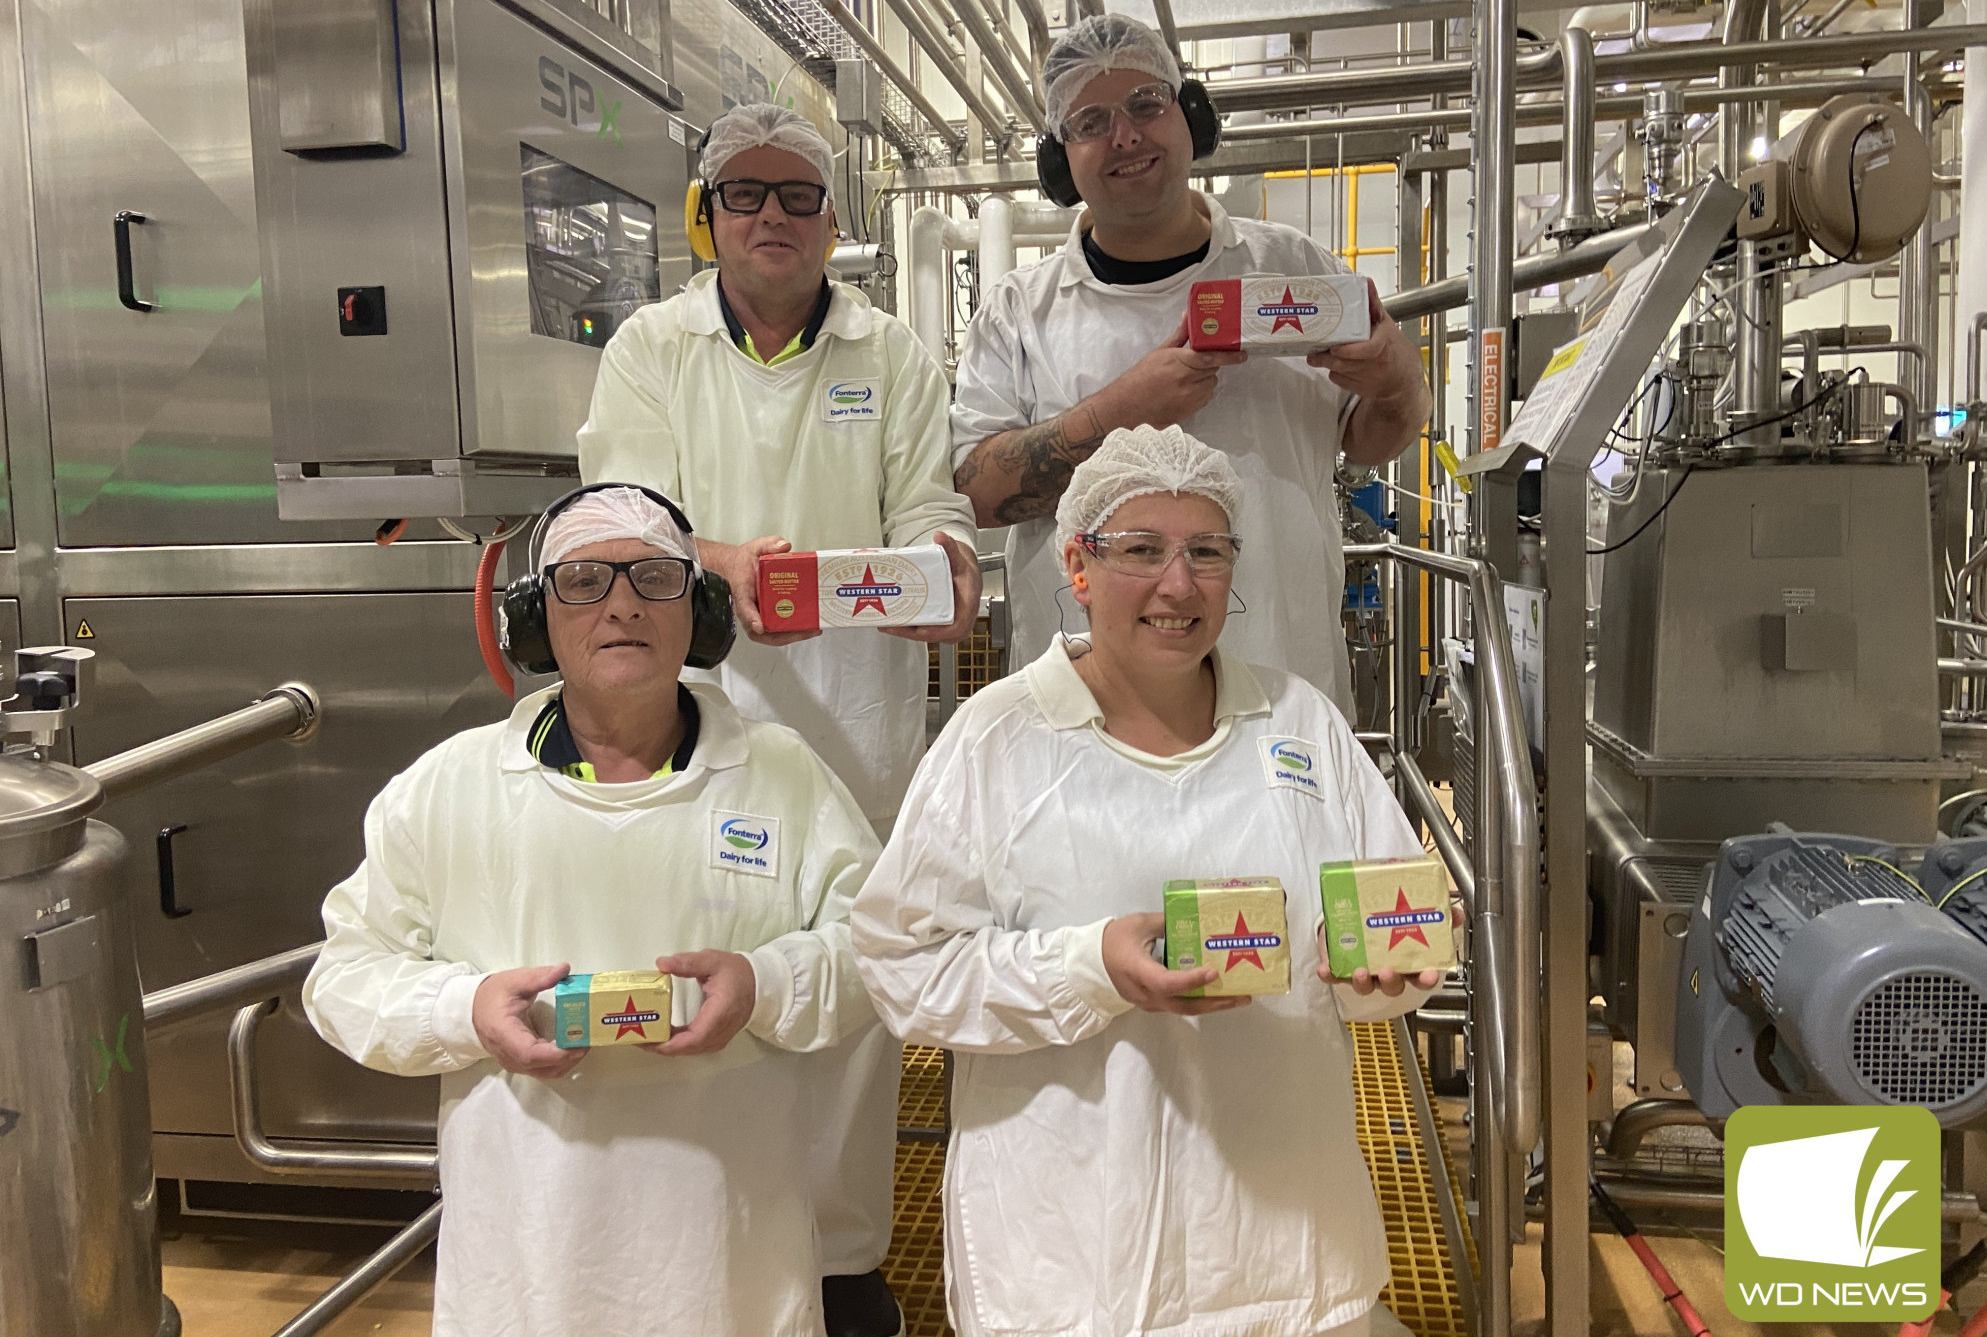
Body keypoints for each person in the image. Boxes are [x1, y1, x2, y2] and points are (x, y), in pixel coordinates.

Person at [851, 426, 1451, 1337]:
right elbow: (903, 966)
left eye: (1206, 551)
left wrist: (1388, 976)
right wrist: (1091, 967)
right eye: (1141, 549)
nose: (1179, 585)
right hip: (1072, 1264)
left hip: (1282, 1247)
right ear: (1078, 564)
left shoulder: (1300, 722)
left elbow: (1379, 917)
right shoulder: (997, 738)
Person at [578, 103, 976, 1337]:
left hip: (857, 714)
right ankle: (701, 1243)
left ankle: (841, 1257)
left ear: (831, 219)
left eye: (795, 193)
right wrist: (717, 560)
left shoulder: (889, 353)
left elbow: (928, 511)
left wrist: (944, 571)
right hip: (686, 707)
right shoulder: (653, 347)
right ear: (709, 216)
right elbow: (615, 520)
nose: (769, 215)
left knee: (845, 970)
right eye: (742, 193)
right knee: (696, 958)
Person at [303, 486, 878, 1337]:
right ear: (535, 619)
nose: (621, 605)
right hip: (528, 1262)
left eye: (654, 577)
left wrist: (766, 983)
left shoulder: (782, 775)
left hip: (729, 1260)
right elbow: (342, 977)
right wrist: (465, 1009)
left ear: (701, 611)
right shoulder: (448, 789)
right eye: (583, 581)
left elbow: (879, 948)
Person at [951, 14, 1432, 715]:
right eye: (1091, 121)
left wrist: (1399, 380)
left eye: (1147, 104)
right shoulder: (1019, 312)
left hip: (1281, 694)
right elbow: (977, 492)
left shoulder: (1290, 267)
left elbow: (1371, 436)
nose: (1126, 135)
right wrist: (1127, 410)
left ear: (1191, 116)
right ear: (1060, 160)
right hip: (1089, 716)